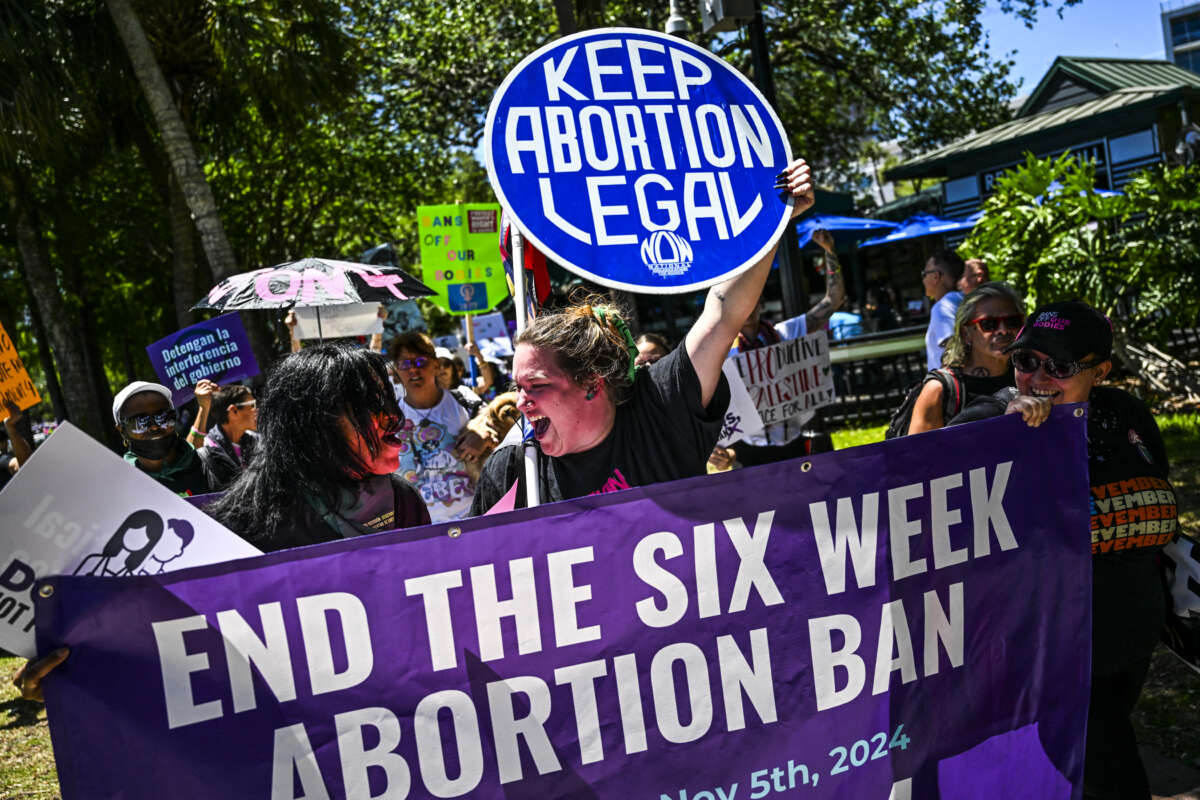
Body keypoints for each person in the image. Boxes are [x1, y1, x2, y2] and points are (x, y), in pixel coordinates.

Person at [469, 158, 816, 513]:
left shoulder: (661, 407)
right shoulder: (516, 472)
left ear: (591, 382)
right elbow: (471, 561)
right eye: (519, 387)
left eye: (537, 386)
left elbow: (723, 314)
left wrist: (775, 217)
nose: (521, 403)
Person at [950, 300, 1177, 800]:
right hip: (1052, 651)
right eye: (1027, 361)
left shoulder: (1124, 414)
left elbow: (1155, 489)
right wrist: (1006, 437)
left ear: (1100, 371)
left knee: (1091, 767)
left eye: (1061, 367)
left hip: (1129, 637)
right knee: (1116, 780)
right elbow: (937, 484)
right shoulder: (991, 416)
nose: (1039, 377)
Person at [206, 344, 430, 551]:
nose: (391, 416)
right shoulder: (250, 527)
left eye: (389, 399)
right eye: (370, 406)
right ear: (317, 424)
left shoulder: (400, 498)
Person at [719, 227, 845, 468]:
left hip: (793, 443)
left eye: (751, 299)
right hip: (750, 450)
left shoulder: (785, 333)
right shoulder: (724, 351)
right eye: (739, 301)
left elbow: (834, 300)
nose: (746, 307)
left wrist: (830, 253)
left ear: (761, 303)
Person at [391, 332, 485, 522]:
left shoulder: (465, 402)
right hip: (420, 529)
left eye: (420, 362)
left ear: (435, 365)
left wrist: (483, 434)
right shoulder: (390, 419)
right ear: (396, 371)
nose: (413, 370)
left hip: (473, 521)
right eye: (405, 364)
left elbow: (498, 424)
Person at [906, 282, 1022, 435]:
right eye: (988, 324)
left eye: (1011, 321)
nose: (1003, 330)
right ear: (966, 334)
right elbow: (916, 455)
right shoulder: (939, 390)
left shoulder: (1031, 376)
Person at [112, 380, 215, 497]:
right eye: (139, 422)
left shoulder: (213, 465)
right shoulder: (121, 489)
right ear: (122, 430)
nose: (154, 426)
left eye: (163, 417)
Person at [196, 384, 259, 490]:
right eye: (252, 405)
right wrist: (203, 406)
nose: (257, 410)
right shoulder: (208, 447)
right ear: (233, 410)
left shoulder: (257, 441)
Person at [922, 249, 965, 370]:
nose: (923, 280)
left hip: (951, 385)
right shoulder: (963, 299)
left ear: (935, 276)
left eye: (924, 274)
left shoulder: (942, 308)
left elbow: (954, 353)